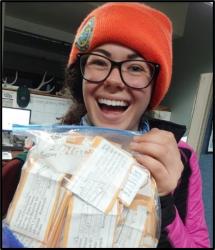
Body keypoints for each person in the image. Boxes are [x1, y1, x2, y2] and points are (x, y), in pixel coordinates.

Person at [2, 2, 210, 248]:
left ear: (154, 86)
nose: (113, 80)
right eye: (99, 62)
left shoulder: (180, 159)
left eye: (135, 68)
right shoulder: (37, 159)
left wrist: (164, 203)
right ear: (80, 77)